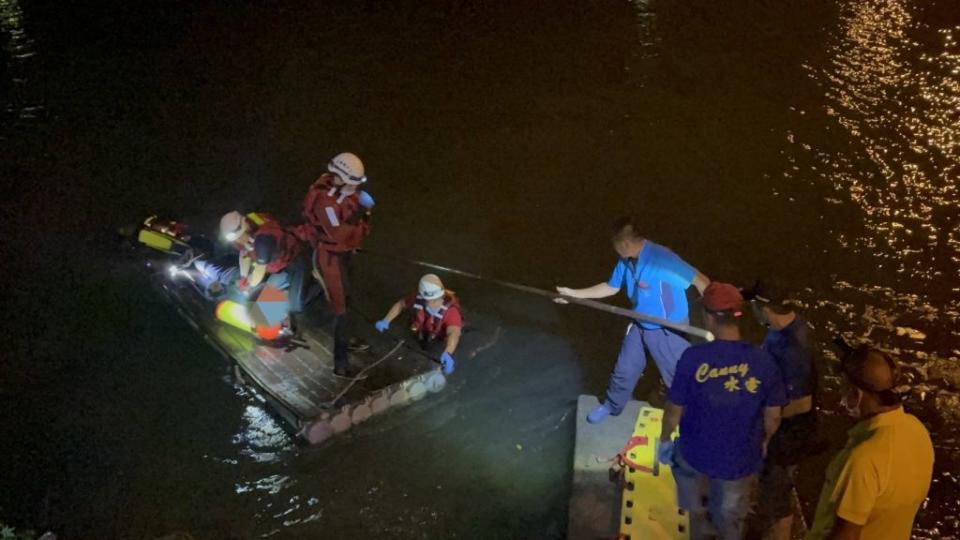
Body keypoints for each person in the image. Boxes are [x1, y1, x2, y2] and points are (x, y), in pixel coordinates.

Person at [658, 282, 787, 540]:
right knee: (729, 517)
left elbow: (674, 410)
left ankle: (701, 530)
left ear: (707, 317)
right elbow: (773, 416)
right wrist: (763, 442)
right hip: (739, 461)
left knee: (695, 510)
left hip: (695, 455)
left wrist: (663, 441)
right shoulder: (763, 361)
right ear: (738, 316)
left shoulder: (692, 358)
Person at [555, 216, 709, 424]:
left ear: (624, 243)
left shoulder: (662, 259)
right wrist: (574, 294)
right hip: (639, 322)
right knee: (624, 370)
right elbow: (611, 287)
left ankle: (695, 420)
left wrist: (712, 318)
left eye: (614, 245)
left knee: (679, 378)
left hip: (668, 329)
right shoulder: (626, 261)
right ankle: (611, 405)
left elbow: (702, 281)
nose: (614, 249)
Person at [805, 346, 934, 540]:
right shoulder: (917, 431)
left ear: (856, 395)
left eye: (843, 387)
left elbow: (845, 536)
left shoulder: (863, 458)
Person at [742, 281, 819, 540]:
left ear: (764, 309)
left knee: (778, 498)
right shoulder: (783, 326)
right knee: (770, 490)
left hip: (787, 435)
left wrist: (763, 423)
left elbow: (800, 404)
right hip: (779, 427)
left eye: (754, 304)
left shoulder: (794, 349)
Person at [299, 152, 375, 378]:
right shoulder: (326, 204)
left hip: (342, 254)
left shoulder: (338, 187)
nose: (355, 188)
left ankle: (347, 337)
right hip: (330, 257)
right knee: (341, 308)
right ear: (339, 177)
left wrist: (357, 200)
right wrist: (366, 220)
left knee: (347, 296)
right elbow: (340, 234)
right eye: (352, 183)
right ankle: (341, 365)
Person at [374, 274, 462, 375]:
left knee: (434, 359)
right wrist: (386, 320)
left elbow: (454, 332)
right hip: (419, 332)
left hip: (438, 339)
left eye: (437, 298)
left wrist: (448, 352)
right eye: (431, 299)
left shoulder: (451, 311)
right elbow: (401, 304)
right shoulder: (417, 298)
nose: (434, 302)